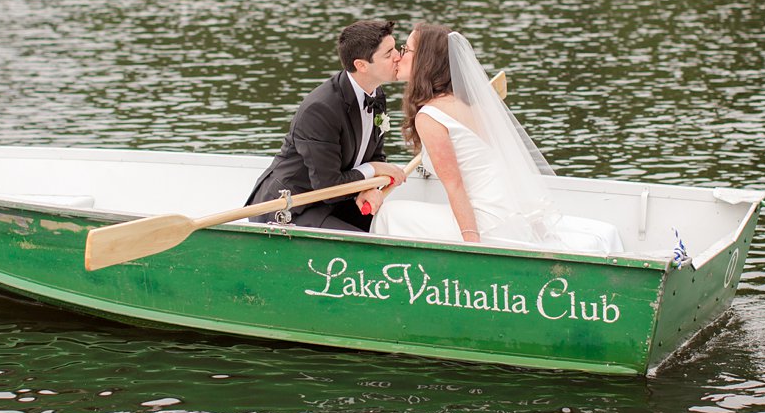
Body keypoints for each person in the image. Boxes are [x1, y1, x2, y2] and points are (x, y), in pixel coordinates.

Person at [372, 23, 624, 253]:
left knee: (390, 213)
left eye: (406, 49)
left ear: (425, 60)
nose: (400, 56)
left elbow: (455, 185)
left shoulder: (429, 116)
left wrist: (472, 243)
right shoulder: (473, 105)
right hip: (513, 214)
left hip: (488, 222)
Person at [246, 20, 411, 231]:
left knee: (393, 227)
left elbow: (374, 154)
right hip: (293, 205)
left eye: (395, 48)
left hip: (339, 198)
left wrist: (369, 188)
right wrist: (375, 169)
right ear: (361, 65)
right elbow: (328, 184)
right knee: (365, 245)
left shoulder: (375, 93)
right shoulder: (321, 109)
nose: (398, 56)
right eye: (388, 54)